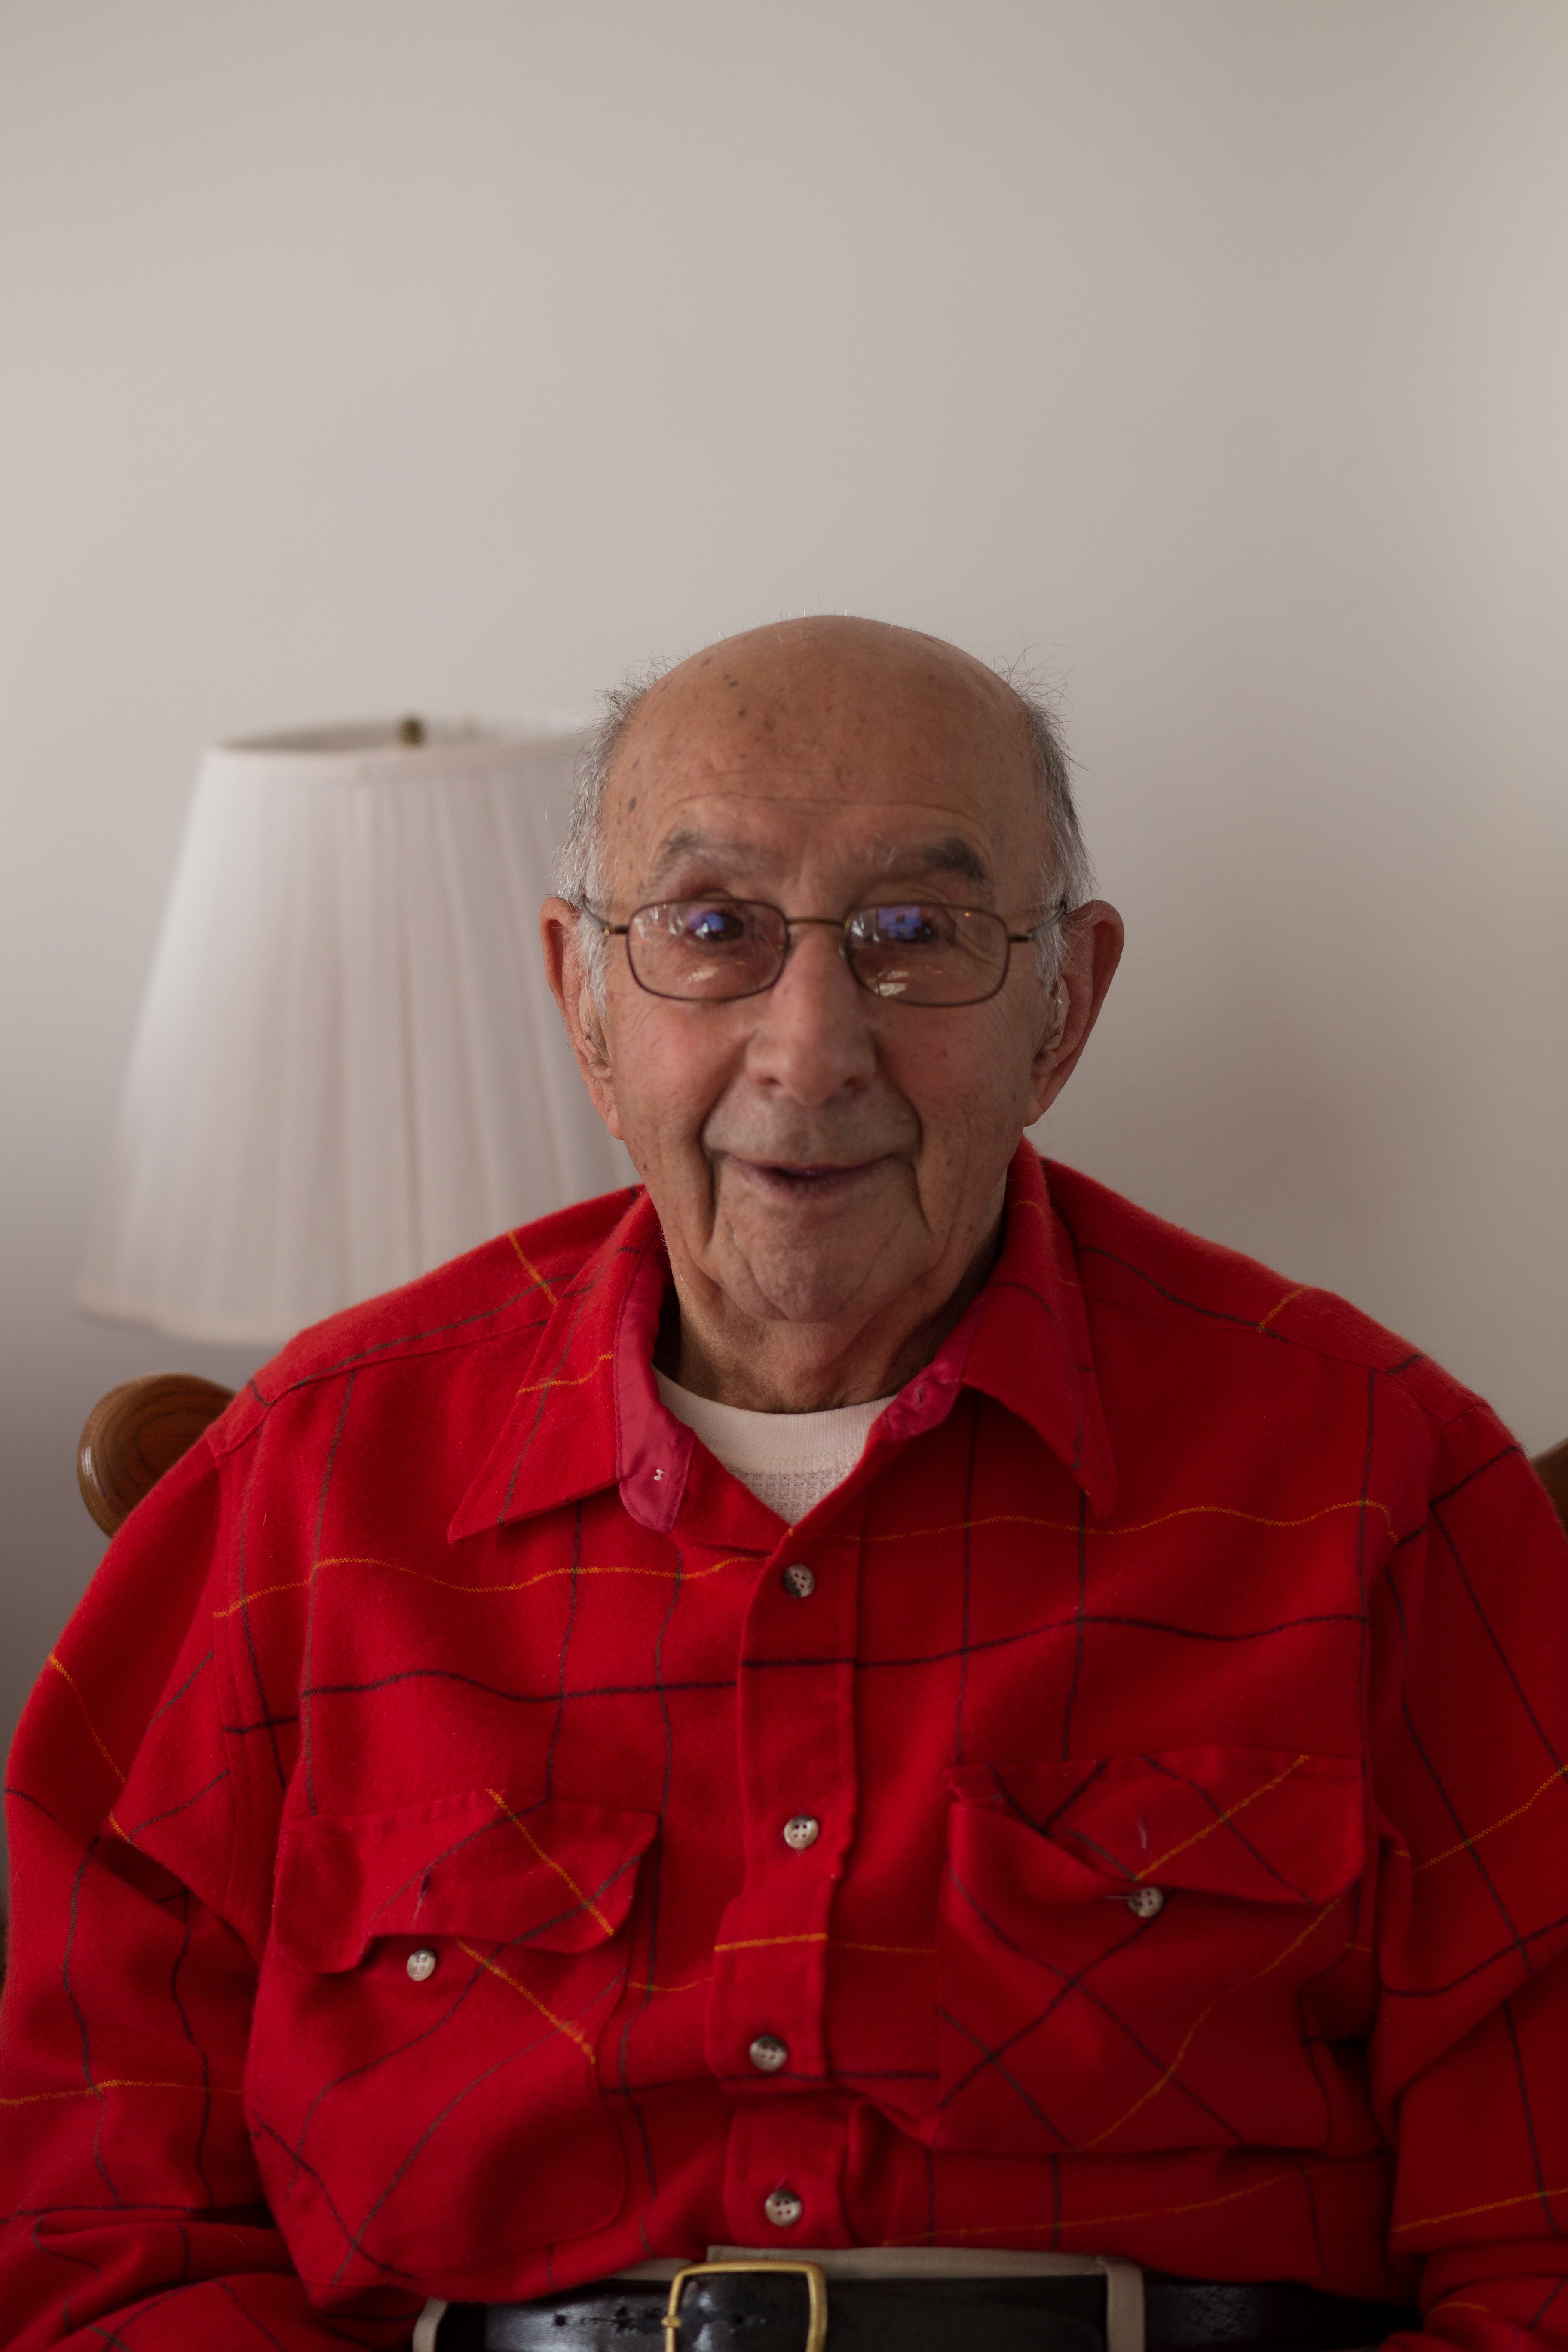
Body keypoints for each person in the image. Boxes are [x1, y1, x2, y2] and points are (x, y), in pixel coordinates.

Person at [3, 617, 1567, 2352]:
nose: (811, 1051)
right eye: (713, 931)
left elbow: (1544, 2254)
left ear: (1065, 1004)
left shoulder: (1378, 1485)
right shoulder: (303, 1488)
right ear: (584, 1001)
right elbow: (91, 2223)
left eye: (916, 935)